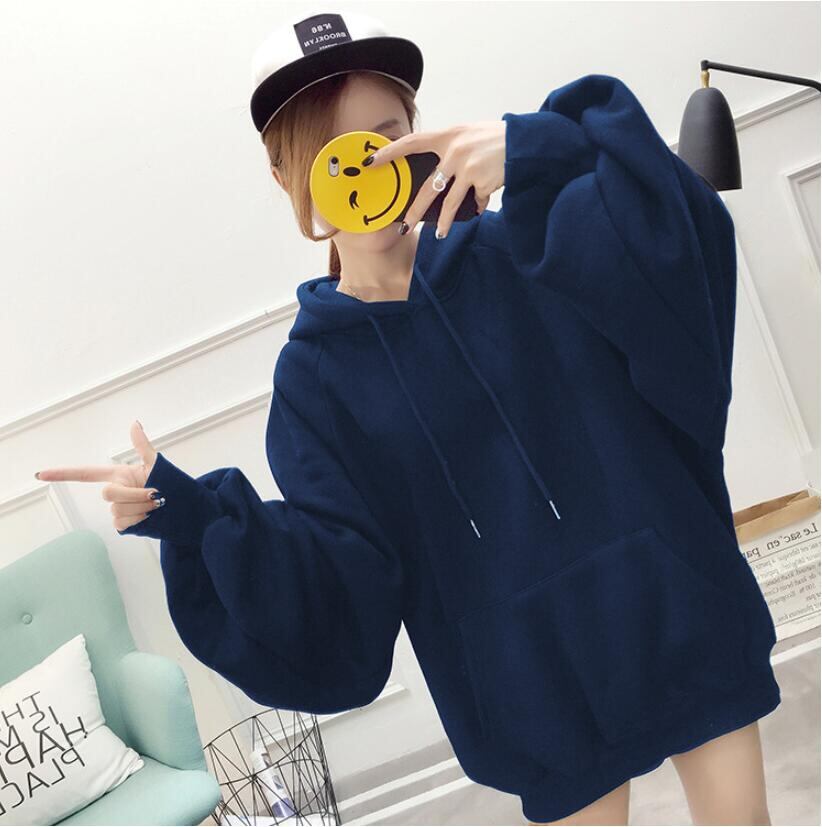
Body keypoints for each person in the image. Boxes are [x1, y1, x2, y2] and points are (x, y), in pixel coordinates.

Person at [34, 8, 781, 825]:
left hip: (678, 612)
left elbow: (681, 255)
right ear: (288, 177)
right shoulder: (313, 382)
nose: (374, 167)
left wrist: (535, 150)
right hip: (538, 693)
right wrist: (195, 515)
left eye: (389, 136)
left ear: (422, 132)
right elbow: (342, 576)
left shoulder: (534, 246)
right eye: (338, 152)